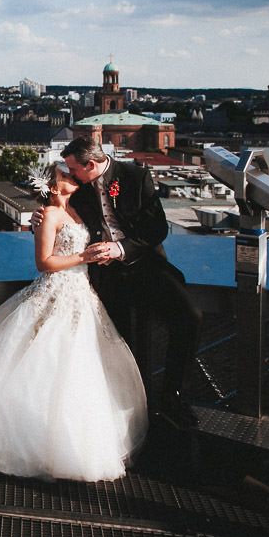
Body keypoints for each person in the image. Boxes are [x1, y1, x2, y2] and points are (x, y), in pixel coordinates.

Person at [0, 162, 147, 482]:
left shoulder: (79, 210)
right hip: (56, 292)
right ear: (52, 185)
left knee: (76, 366)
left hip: (80, 295)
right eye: (65, 176)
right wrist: (83, 257)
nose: (72, 179)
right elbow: (44, 262)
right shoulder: (49, 215)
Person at [33, 136, 202, 428]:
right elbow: (60, 213)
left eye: (75, 169)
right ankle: (140, 415)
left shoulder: (135, 176)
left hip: (147, 265)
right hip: (108, 276)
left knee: (190, 317)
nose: (71, 175)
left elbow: (157, 228)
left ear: (91, 164)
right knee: (132, 346)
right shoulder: (80, 186)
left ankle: (173, 395)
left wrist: (121, 249)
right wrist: (40, 215)